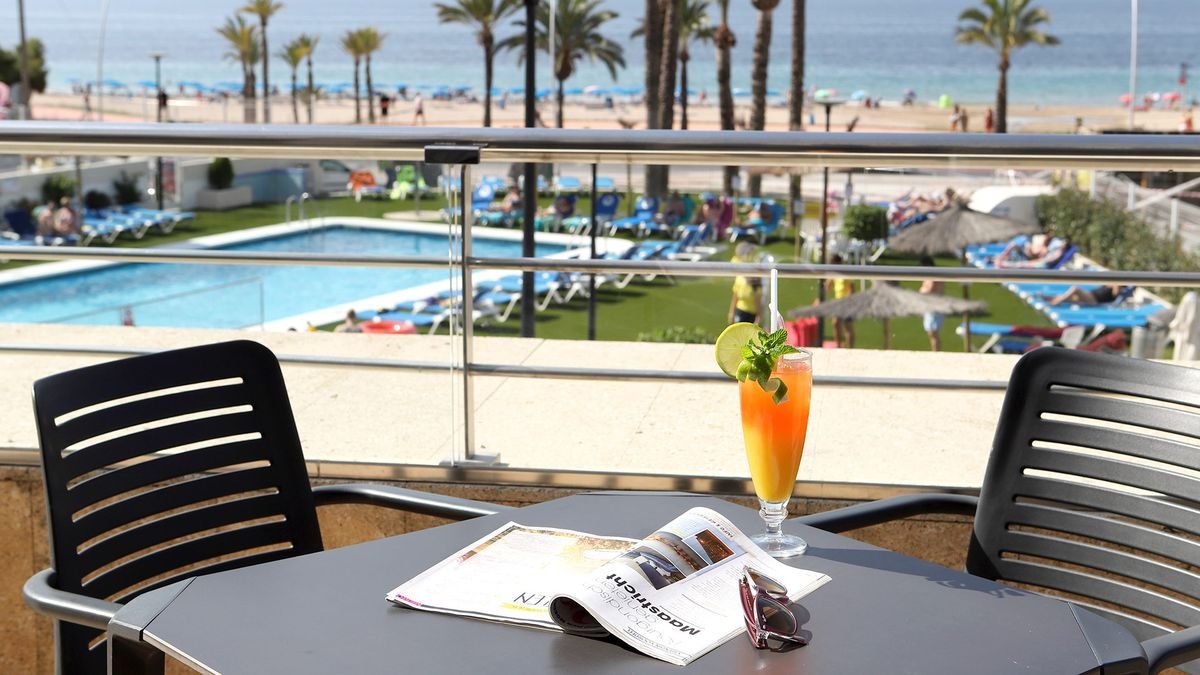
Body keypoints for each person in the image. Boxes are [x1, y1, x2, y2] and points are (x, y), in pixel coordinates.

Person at [728, 242, 762, 325]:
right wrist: (731, 314)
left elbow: (758, 302)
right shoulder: (740, 279)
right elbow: (735, 297)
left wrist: (758, 318)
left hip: (752, 314)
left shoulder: (755, 284)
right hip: (740, 310)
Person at [825, 254, 855, 348]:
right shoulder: (834, 274)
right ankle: (838, 346)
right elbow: (827, 287)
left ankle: (849, 348)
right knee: (835, 323)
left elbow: (851, 289)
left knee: (847, 326)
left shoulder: (845, 273)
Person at [918, 256, 945, 352]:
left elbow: (930, 290)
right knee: (931, 332)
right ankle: (935, 350)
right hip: (932, 305)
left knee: (933, 331)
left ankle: (936, 351)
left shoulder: (933, 276)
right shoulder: (932, 275)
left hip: (934, 306)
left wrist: (921, 291)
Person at [1046, 284, 1126, 306]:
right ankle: (1052, 299)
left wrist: (1116, 285)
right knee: (1071, 298)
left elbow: (1115, 295)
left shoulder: (1118, 290)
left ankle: (1056, 301)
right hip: (1090, 296)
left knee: (1075, 289)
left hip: (1094, 300)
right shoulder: (1109, 285)